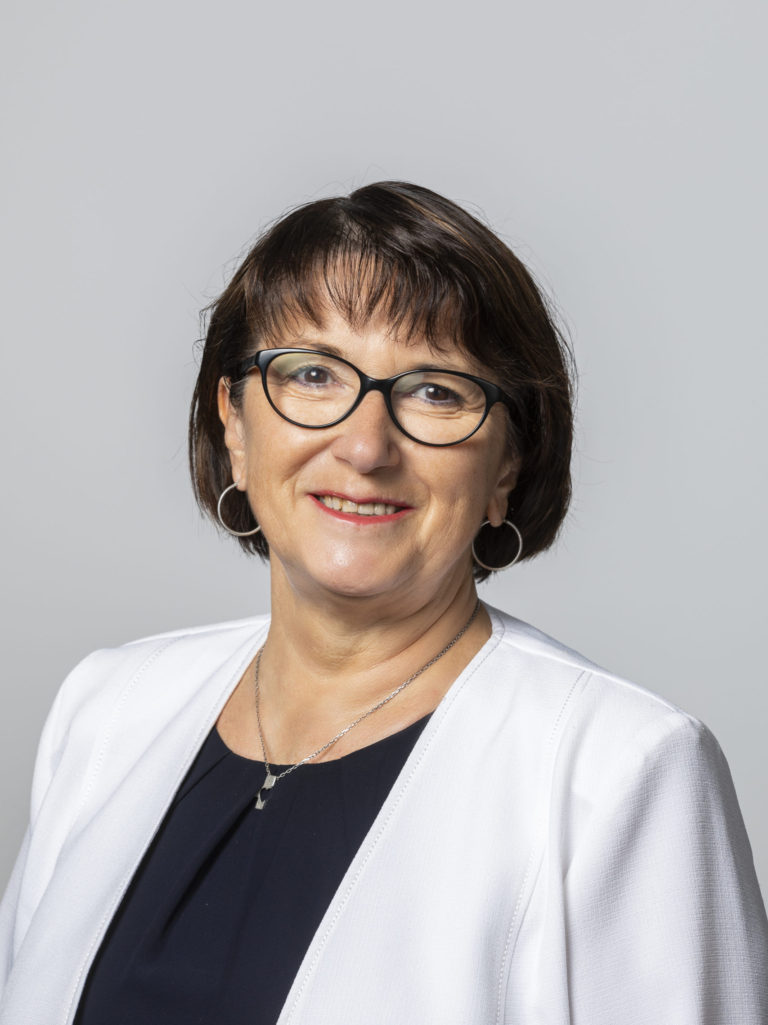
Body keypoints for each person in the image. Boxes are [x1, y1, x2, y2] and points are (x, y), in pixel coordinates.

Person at [0, 181, 766, 1025]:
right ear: (235, 426)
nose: (366, 446)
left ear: (507, 467)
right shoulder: (107, 710)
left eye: (436, 390)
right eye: (314, 374)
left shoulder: (619, 772)